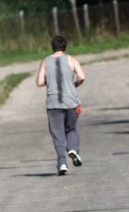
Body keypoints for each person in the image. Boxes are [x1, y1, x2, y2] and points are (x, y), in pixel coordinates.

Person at [36, 35, 86, 175]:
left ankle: (62, 163)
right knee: (71, 129)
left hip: (53, 104)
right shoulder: (72, 60)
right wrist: (74, 84)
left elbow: (39, 82)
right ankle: (73, 149)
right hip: (71, 101)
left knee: (58, 135)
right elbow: (82, 76)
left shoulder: (45, 61)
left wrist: (50, 80)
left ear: (52, 47)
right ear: (65, 46)